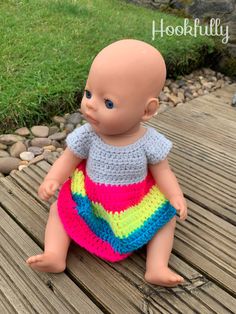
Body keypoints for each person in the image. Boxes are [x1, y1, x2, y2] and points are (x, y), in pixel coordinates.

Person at [26, 39, 187, 287]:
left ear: (147, 110)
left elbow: (163, 171)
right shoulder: (88, 134)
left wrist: (175, 195)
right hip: (91, 200)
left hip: (134, 203)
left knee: (166, 218)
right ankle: (54, 254)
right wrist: (53, 179)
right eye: (88, 93)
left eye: (108, 102)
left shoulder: (149, 142)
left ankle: (157, 267)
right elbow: (68, 158)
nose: (90, 104)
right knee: (59, 209)